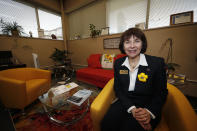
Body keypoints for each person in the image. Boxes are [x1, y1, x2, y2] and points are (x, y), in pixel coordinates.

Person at [101, 28, 168, 131]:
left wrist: (149, 112)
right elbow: (118, 89)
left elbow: (161, 93)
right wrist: (131, 108)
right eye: (127, 42)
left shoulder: (157, 63)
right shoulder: (118, 63)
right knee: (106, 125)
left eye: (137, 41)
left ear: (142, 44)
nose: (132, 46)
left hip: (148, 105)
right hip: (125, 102)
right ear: (123, 45)